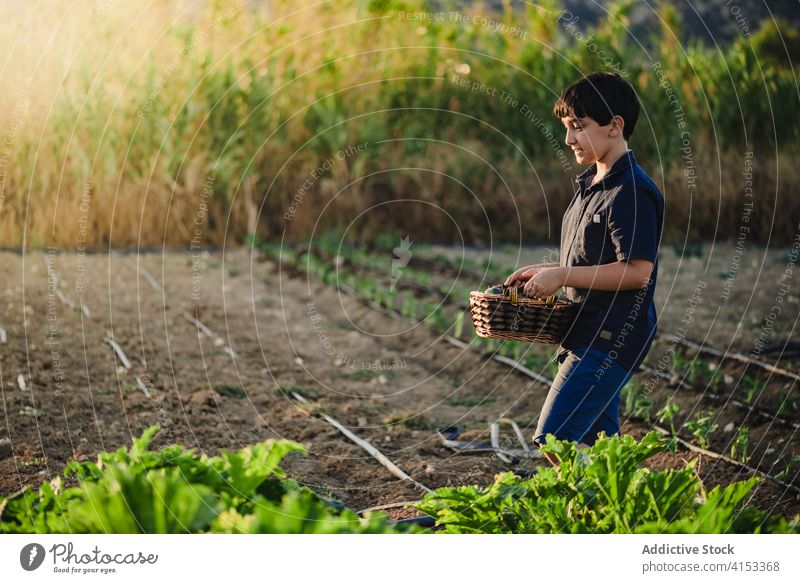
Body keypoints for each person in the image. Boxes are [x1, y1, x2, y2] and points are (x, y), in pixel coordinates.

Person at [504, 72, 665, 466]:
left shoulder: (631, 191)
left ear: (615, 126)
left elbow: (636, 271)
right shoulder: (591, 185)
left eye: (579, 126)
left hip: (610, 336)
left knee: (554, 437)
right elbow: (591, 262)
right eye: (566, 127)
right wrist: (549, 269)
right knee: (602, 451)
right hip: (586, 331)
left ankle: (590, 514)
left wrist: (562, 276)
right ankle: (612, 517)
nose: (569, 139)